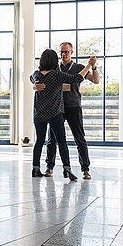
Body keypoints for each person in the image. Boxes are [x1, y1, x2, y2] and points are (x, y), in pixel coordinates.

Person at [34, 41, 100, 180]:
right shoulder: (54, 69)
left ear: (72, 52)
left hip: (72, 106)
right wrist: (35, 85)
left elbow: (95, 80)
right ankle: (50, 167)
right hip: (56, 109)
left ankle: (85, 169)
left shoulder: (78, 67)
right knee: (52, 140)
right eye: (61, 52)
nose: (64, 54)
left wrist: (92, 67)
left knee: (79, 138)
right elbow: (35, 78)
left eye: (66, 52)